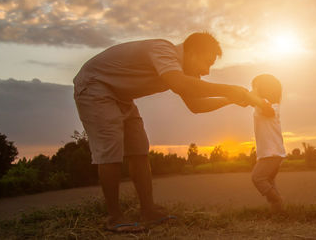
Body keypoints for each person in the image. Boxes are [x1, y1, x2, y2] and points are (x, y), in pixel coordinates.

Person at [73, 32, 274, 232]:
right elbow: (179, 84)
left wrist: (230, 99)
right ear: (193, 52)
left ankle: (148, 211)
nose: (206, 71)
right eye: (207, 62)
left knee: (139, 148)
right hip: (95, 85)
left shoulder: (185, 72)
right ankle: (114, 218)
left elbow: (196, 105)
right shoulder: (164, 50)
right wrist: (229, 90)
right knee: (111, 147)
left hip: (121, 95)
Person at [249, 74, 286, 213]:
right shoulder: (262, 105)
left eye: (255, 87)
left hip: (272, 153)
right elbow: (251, 100)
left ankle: (277, 200)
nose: (252, 90)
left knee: (258, 178)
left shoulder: (271, 106)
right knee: (269, 182)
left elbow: (267, 109)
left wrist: (250, 95)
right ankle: (278, 213)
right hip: (270, 153)